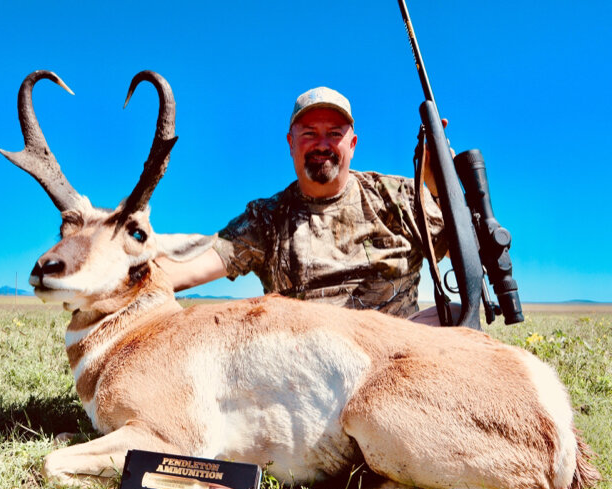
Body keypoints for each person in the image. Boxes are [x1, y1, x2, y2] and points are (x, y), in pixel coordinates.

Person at [158, 86, 447, 320]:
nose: (322, 144)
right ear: (291, 143)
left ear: (353, 144)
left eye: (335, 133)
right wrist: (123, 274)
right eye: (309, 133)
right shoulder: (265, 219)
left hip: (399, 358)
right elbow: (196, 264)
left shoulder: (397, 197)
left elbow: (465, 249)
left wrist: (439, 188)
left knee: (455, 316)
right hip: (302, 370)